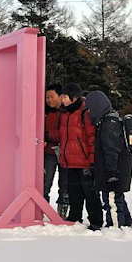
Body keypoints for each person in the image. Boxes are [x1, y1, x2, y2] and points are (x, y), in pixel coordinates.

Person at [84, 90, 132, 228]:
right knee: (118, 198)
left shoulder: (109, 124)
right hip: (115, 170)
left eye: (90, 109)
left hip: (113, 172)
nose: (89, 112)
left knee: (111, 200)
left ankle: (115, 227)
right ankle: (126, 222)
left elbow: (111, 150)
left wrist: (111, 174)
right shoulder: (109, 121)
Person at [59, 83, 103, 231]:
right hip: (69, 161)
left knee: (90, 194)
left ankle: (96, 220)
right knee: (74, 192)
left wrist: (92, 162)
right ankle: (75, 216)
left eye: (65, 97)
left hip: (84, 162)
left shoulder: (85, 112)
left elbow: (92, 139)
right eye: (62, 96)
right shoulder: (65, 113)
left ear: (74, 97)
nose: (62, 100)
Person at [43, 84, 69, 219]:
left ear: (60, 97)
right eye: (47, 97)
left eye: (52, 96)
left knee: (64, 185)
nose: (49, 100)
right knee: (45, 183)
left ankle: (62, 211)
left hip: (65, 153)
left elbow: (65, 132)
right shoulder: (44, 112)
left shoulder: (67, 111)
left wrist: (47, 135)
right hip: (48, 153)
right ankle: (41, 208)